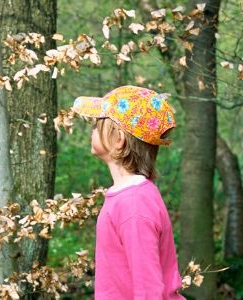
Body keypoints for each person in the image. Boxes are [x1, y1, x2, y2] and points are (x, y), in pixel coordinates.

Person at [72, 85, 183, 299]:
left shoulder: (134, 204)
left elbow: (149, 290)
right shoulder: (128, 195)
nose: (92, 129)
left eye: (98, 124)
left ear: (119, 140)